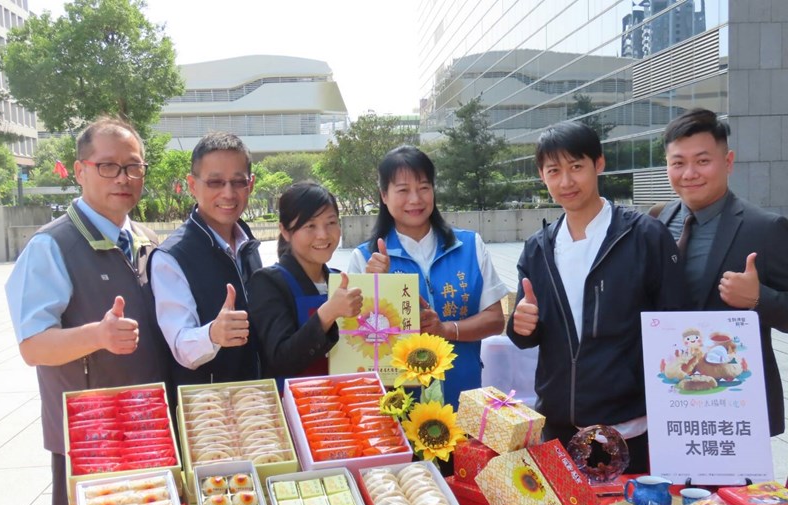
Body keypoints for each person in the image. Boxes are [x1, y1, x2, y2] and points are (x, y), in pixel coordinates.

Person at [5, 116, 167, 505]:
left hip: (150, 426)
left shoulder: (148, 241)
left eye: (134, 166)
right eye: (107, 166)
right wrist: (97, 335)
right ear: (80, 171)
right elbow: (33, 346)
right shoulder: (52, 246)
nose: (123, 178)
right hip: (91, 435)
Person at [506, 120, 686, 474]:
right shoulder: (537, 249)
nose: (566, 182)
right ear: (542, 176)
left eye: (576, 167)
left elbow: (674, 326)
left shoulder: (645, 236)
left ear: (598, 164)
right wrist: (520, 325)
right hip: (558, 427)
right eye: (554, 171)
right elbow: (524, 335)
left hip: (630, 429)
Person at [658, 108, 788, 436]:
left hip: (735, 405)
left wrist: (760, 298)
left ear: (728, 162)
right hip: (669, 400)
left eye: (703, 161)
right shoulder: (658, 221)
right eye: (678, 162)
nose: (689, 173)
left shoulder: (766, 229)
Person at [349, 145, 506, 409]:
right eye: (403, 190)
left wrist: (446, 329)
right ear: (384, 196)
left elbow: (495, 321)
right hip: (398, 407)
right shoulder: (365, 259)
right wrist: (374, 287)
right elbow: (355, 345)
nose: (415, 199)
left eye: (424, 187)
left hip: (463, 397)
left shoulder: (469, 245)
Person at [149, 132, 263, 391]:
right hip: (208, 412)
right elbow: (180, 346)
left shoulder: (249, 244)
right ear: (192, 185)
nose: (228, 193)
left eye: (238, 182)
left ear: (251, 184)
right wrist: (214, 334)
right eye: (215, 182)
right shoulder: (172, 257)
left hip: (259, 402)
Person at [247, 182, 363, 384]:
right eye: (310, 225)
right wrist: (328, 313)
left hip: (345, 404)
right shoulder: (268, 282)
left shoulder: (339, 281)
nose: (323, 234)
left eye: (331, 223)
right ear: (285, 231)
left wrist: (376, 287)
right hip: (294, 408)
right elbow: (280, 358)